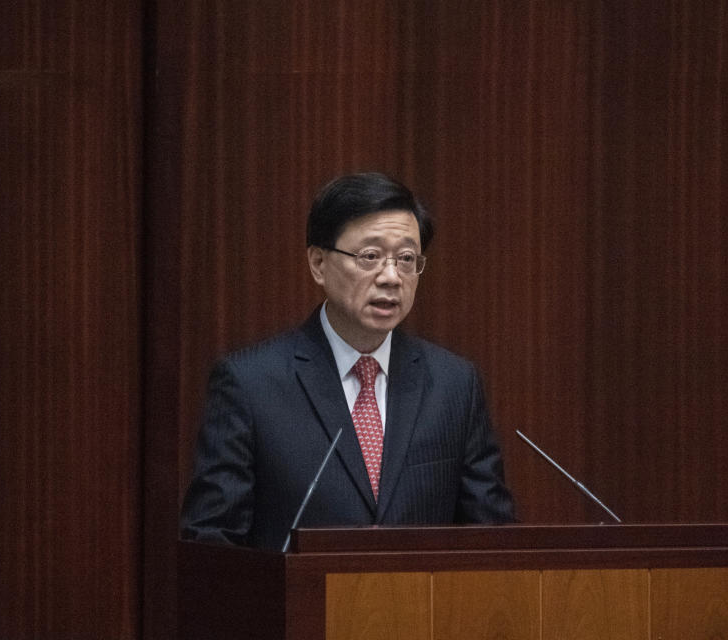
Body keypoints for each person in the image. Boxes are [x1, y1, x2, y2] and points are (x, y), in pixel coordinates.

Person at [180, 172, 515, 550]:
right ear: (319, 263)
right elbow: (212, 545)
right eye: (370, 256)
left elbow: (493, 540)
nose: (391, 277)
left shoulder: (454, 384)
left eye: (407, 259)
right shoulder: (249, 384)